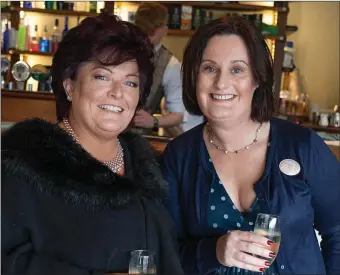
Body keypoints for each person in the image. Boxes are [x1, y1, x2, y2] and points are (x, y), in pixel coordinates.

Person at [2, 13, 183, 275]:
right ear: (69, 85)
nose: (118, 92)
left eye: (130, 82)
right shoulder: (23, 166)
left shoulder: (147, 166)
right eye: (102, 76)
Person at [161, 15, 340, 275]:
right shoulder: (178, 157)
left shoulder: (303, 146)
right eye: (209, 68)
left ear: (257, 79)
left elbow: (337, 231)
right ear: (194, 77)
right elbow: (165, 253)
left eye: (237, 69)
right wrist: (215, 252)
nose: (221, 83)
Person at [132, 2, 204, 137]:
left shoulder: (170, 64)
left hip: (135, 139)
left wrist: (152, 121)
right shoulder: (120, 50)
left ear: (164, 30)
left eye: (151, 31)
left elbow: (178, 115)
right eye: (144, 30)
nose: (147, 36)